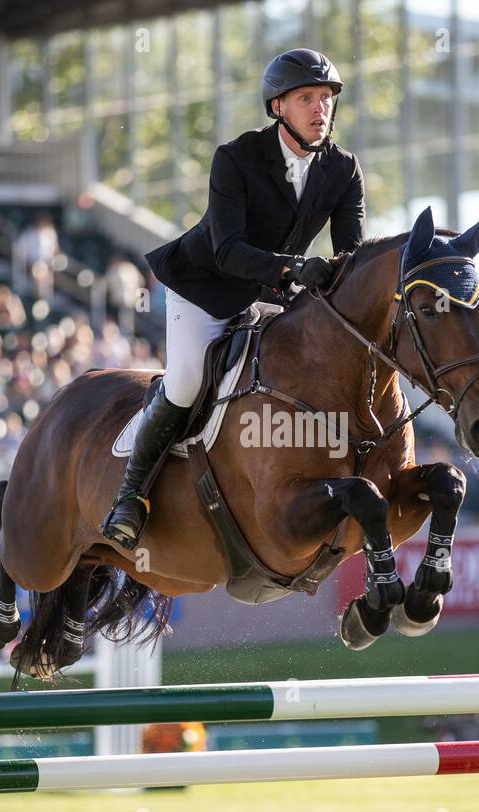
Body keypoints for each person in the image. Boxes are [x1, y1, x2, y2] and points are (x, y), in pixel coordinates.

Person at [101, 48, 367, 550]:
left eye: (327, 98)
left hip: (270, 297)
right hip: (206, 287)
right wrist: (293, 268)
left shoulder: (343, 169)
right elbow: (227, 250)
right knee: (185, 382)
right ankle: (130, 495)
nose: (321, 109)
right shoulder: (236, 158)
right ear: (277, 108)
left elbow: (350, 255)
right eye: (306, 98)